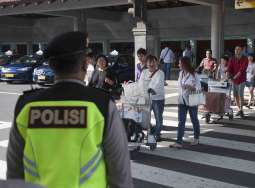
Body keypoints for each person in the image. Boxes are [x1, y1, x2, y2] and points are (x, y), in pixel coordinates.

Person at [6, 31, 133, 188]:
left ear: (52, 66)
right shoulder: (101, 105)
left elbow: (14, 173)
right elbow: (120, 174)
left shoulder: (26, 106)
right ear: (85, 64)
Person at [170, 56, 201, 149]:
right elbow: (179, 86)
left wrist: (191, 87)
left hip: (192, 99)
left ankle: (196, 138)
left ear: (184, 64)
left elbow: (199, 88)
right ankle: (179, 141)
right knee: (181, 121)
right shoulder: (180, 73)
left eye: (180, 63)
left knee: (194, 119)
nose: (178, 64)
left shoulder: (194, 74)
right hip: (182, 100)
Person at [138, 55, 165, 141]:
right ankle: (150, 132)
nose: (151, 64)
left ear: (156, 62)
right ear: (146, 63)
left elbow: (158, 84)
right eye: (149, 62)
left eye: (153, 61)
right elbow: (140, 83)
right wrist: (143, 92)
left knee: (158, 117)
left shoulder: (160, 73)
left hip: (158, 99)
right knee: (146, 117)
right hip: (146, 98)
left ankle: (157, 134)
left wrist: (151, 89)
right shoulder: (144, 72)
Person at [227, 46, 249, 117]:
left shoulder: (245, 59)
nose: (236, 50)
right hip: (233, 80)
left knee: (240, 94)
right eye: (235, 49)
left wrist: (235, 77)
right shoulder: (232, 58)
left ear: (241, 51)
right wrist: (228, 76)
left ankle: (241, 109)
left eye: (238, 49)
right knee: (235, 95)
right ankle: (239, 109)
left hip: (241, 79)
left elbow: (242, 70)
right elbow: (229, 68)